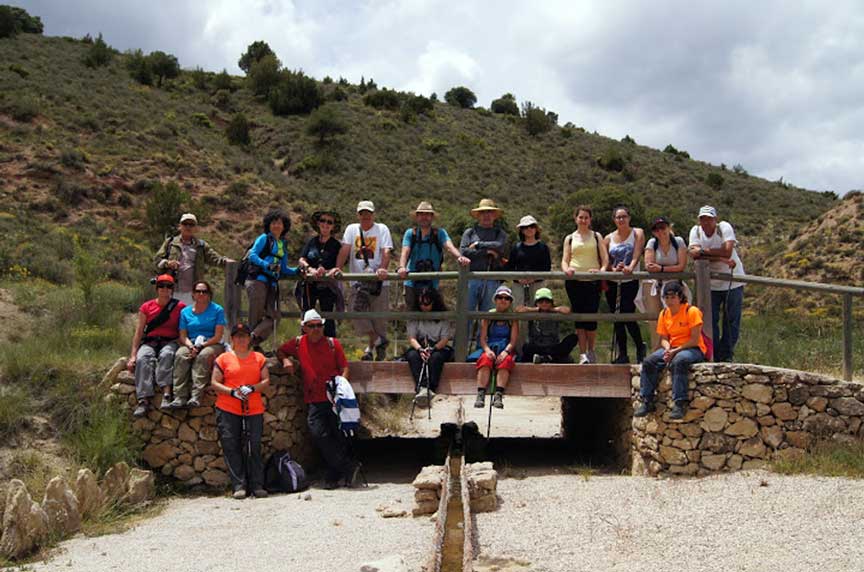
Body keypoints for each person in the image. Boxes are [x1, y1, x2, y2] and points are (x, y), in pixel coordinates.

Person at [277, 310, 362, 489]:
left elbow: (344, 367)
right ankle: (347, 467)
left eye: (319, 325)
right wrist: (286, 361)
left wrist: (342, 386)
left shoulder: (333, 344)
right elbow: (281, 351)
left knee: (338, 436)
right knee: (319, 435)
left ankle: (334, 475)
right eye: (312, 326)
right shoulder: (298, 343)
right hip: (313, 398)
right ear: (304, 328)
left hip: (333, 399)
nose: (316, 329)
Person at [211, 322, 270, 499]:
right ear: (232, 339)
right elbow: (214, 382)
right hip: (228, 408)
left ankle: (257, 484)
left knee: (255, 446)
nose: (241, 339)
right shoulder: (223, 359)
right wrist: (231, 392)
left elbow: (266, 381)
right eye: (238, 336)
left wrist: (252, 388)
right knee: (231, 446)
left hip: (253, 409)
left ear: (249, 338)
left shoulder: (259, 358)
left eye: (244, 336)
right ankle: (239, 485)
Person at [634, 281, 707, 420]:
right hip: (672, 347)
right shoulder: (664, 313)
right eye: (666, 297)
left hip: (692, 348)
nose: (669, 301)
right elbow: (663, 338)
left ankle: (679, 403)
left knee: (679, 361)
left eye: (672, 297)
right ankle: (647, 400)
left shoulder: (691, 311)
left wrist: (675, 351)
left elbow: (695, 339)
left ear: (680, 297)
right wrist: (668, 349)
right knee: (649, 361)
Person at [336, 200, 393, 361]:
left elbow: (386, 251)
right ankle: (379, 341)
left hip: (378, 282)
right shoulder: (351, 229)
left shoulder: (382, 229)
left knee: (378, 319)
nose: (365, 216)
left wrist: (382, 268)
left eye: (368, 213)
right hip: (358, 281)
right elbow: (345, 250)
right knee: (355, 311)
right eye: (362, 213)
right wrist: (338, 268)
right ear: (358, 215)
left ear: (373, 214)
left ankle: (373, 351)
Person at [687, 205, 745, 362]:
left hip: (733, 282)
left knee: (731, 321)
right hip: (710, 284)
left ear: (715, 220)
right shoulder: (696, 231)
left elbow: (727, 250)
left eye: (709, 218)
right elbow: (694, 255)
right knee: (709, 322)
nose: (706, 222)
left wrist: (704, 252)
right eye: (703, 219)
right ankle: (713, 354)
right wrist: (720, 257)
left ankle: (726, 355)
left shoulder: (724, 227)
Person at [127, 274, 185, 417]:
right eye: (161, 286)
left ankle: (166, 394)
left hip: (170, 341)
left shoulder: (179, 307)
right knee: (143, 358)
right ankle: (143, 399)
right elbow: (139, 331)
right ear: (157, 288)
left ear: (172, 289)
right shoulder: (146, 307)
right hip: (150, 341)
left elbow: (183, 330)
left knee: (167, 355)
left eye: (169, 286)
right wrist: (133, 355)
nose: (165, 289)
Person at [397, 201, 470, 309]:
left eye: (427, 214)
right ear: (417, 217)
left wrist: (459, 257)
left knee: (434, 316)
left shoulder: (439, 233)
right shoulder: (410, 234)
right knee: (413, 316)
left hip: (433, 283)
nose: (424, 217)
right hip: (411, 282)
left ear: (432, 217)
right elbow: (405, 251)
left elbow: (449, 247)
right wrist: (402, 267)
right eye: (421, 214)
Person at [561, 205, 608, 364]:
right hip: (574, 282)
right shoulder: (570, 238)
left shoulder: (596, 236)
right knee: (579, 318)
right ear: (575, 219)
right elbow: (565, 259)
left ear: (590, 219)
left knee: (591, 317)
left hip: (592, 282)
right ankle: (582, 354)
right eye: (580, 217)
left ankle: (591, 350)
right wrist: (567, 270)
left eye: (586, 217)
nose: (583, 220)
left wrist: (601, 270)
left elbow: (604, 257)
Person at [167, 281, 226, 408]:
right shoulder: (185, 312)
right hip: (191, 342)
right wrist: (190, 346)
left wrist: (201, 346)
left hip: (211, 343)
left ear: (209, 294)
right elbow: (183, 335)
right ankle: (179, 396)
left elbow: (218, 336)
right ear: (193, 294)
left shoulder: (217, 310)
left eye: (204, 291)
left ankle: (196, 395)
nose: (201, 294)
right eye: (198, 291)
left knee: (203, 356)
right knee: (181, 355)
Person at [246, 209, 298, 348]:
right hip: (257, 280)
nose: (276, 225)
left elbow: (285, 268)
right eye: (273, 222)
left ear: (284, 226)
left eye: (279, 223)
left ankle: (250, 340)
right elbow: (252, 255)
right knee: (255, 316)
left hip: (271, 283)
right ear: (268, 224)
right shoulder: (264, 238)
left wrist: (298, 271)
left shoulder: (282, 244)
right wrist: (267, 265)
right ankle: (253, 348)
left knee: (274, 317)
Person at [155, 213, 233, 306]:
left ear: (195, 228)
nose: (188, 227)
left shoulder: (201, 245)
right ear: (180, 226)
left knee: (190, 319)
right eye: (185, 224)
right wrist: (167, 263)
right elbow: (157, 260)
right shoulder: (170, 242)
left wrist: (228, 262)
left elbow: (215, 259)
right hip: (171, 290)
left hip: (192, 292)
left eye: (191, 225)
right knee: (172, 319)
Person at [460, 199, 508, 342]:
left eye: (490, 212)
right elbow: (463, 252)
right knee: (465, 316)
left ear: (494, 215)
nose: (486, 215)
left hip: (492, 280)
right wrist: (487, 252)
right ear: (478, 215)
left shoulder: (500, 232)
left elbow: (500, 245)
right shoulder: (469, 232)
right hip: (471, 278)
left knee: (486, 318)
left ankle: (483, 351)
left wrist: (479, 245)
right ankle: (459, 353)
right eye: (483, 213)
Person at [604, 206, 646, 364]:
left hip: (630, 280)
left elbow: (637, 252)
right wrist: (613, 269)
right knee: (617, 317)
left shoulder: (637, 233)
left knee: (628, 314)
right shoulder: (608, 238)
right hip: (613, 281)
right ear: (614, 219)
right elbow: (606, 261)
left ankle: (640, 346)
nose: (621, 220)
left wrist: (631, 266)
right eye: (618, 217)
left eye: (624, 216)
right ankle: (623, 353)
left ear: (629, 217)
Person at [296, 210, 345, 338]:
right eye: (323, 221)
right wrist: (310, 269)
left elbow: (339, 266)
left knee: (327, 315)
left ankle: (330, 346)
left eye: (329, 222)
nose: (325, 224)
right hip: (310, 284)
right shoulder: (311, 242)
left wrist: (328, 271)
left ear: (333, 226)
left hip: (328, 285)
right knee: (307, 314)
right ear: (318, 223)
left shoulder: (336, 245)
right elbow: (302, 259)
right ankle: (305, 344)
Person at [505, 215, 551, 350]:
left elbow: (546, 268)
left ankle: (539, 348)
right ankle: (518, 349)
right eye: (526, 227)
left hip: (538, 285)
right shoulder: (516, 247)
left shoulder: (543, 247)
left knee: (538, 314)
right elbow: (510, 266)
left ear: (536, 229)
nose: (529, 229)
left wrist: (534, 278)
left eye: (532, 227)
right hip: (519, 285)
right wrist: (518, 278)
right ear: (522, 230)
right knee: (519, 316)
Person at [643, 216, 688, 349]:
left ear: (669, 228)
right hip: (656, 286)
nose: (660, 232)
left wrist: (661, 269)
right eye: (656, 229)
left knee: (677, 317)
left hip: (675, 286)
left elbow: (681, 266)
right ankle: (658, 350)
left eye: (663, 228)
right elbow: (648, 265)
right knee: (656, 320)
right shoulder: (652, 243)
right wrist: (667, 269)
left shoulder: (678, 242)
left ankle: (678, 346)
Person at [405, 288, 454, 408]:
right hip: (420, 346)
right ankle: (421, 387)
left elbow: (445, 339)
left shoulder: (443, 318)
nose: (424, 307)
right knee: (412, 356)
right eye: (421, 304)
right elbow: (412, 337)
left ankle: (431, 388)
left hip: (438, 347)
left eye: (427, 304)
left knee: (436, 357)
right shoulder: (415, 317)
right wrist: (420, 349)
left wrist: (433, 349)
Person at [472, 285, 518, 410]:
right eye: (500, 297)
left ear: (510, 301)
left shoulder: (513, 318)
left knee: (506, 361)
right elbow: (482, 338)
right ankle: (481, 393)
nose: (503, 300)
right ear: (495, 299)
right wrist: (487, 350)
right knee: (485, 360)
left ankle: (498, 393)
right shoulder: (488, 316)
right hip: (490, 345)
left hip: (505, 346)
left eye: (507, 298)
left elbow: (513, 341)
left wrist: (505, 352)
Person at [516, 287, 579, 364]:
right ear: (536, 303)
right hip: (536, 347)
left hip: (553, 347)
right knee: (526, 347)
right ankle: (549, 358)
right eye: (541, 301)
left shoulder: (555, 313)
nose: (544, 303)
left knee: (573, 338)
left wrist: (551, 309)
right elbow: (519, 310)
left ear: (551, 302)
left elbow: (567, 310)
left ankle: (546, 358)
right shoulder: (532, 314)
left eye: (547, 301)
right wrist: (536, 309)